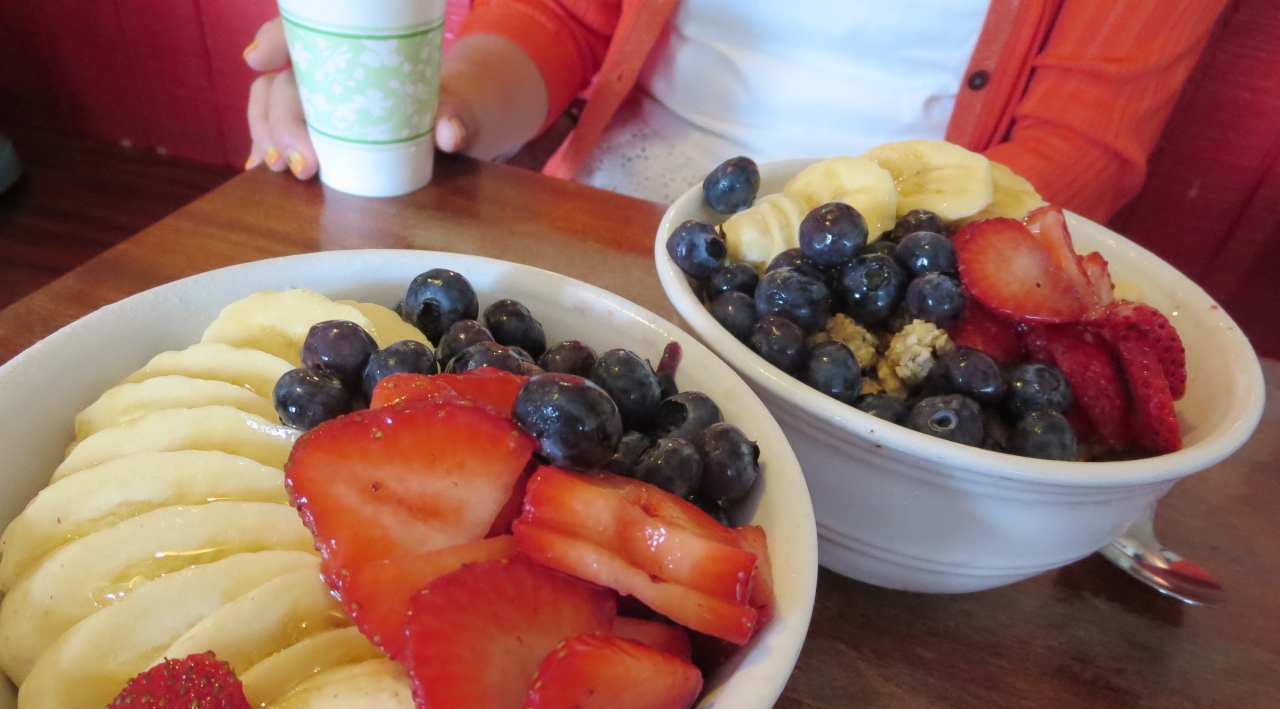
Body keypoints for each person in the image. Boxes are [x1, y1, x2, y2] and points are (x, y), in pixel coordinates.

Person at [244, 0, 1229, 222]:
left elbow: (1075, 152)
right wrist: (431, 103)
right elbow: (562, 18)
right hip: (610, 222)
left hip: (892, 274)